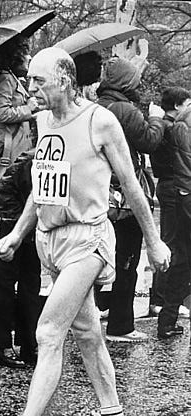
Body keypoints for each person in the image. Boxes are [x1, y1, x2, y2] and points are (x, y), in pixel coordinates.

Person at [0, 47, 170, 416]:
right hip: (50, 240)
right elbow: (43, 184)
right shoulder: (43, 120)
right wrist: (18, 233)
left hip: (88, 240)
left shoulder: (99, 121)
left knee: (49, 332)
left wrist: (154, 241)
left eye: (38, 81)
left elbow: (132, 185)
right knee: (87, 333)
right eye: (30, 79)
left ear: (65, 81)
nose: (30, 88)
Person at [95, 57, 165, 342]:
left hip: (99, 193)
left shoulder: (96, 106)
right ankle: (121, 326)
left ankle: (91, 315)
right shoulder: (125, 109)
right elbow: (148, 140)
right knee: (127, 259)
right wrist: (157, 118)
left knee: (96, 256)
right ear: (127, 82)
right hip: (124, 197)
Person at [0, 34, 38, 251]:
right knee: (5, 194)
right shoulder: (5, 79)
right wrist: (28, 109)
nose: (29, 58)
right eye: (26, 54)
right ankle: (2, 238)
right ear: (15, 57)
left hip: (16, 146)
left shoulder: (12, 79)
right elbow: (1, 114)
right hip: (8, 151)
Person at [0, 155, 42, 368]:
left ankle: (28, 344)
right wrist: (19, 226)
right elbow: (2, 192)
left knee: (30, 287)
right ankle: (1, 346)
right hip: (18, 227)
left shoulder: (40, 160)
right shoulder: (27, 162)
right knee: (5, 286)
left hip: (31, 228)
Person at [148, 87, 191, 319]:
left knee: (171, 241)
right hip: (174, 187)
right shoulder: (171, 128)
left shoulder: (164, 127)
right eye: (187, 103)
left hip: (167, 185)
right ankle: (161, 298)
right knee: (173, 243)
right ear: (176, 106)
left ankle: (161, 298)